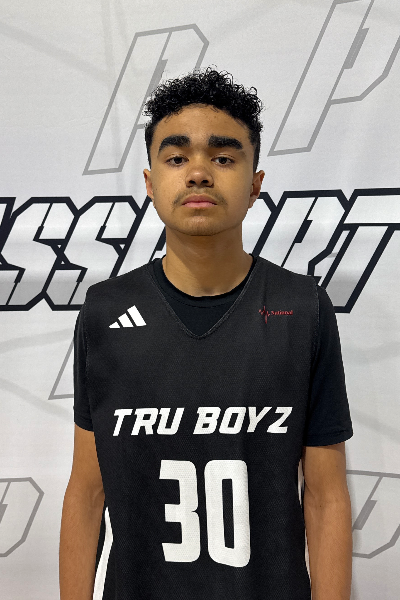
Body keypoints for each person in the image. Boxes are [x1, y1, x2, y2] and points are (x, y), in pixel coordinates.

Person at [59, 67, 353, 600]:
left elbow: (326, 497)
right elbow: (87, 492)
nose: (198, 173)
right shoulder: (105, 311)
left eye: (223, 158)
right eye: (176, 158)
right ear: (150, 183)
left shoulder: (303, 308)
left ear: (255, 184)